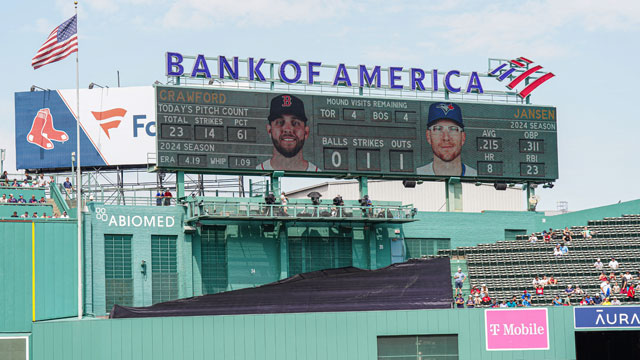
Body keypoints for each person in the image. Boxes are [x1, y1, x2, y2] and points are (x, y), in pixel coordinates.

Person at [257, 94, 318, 171]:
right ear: (269, 130)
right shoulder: (257, 170)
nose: (288, 129)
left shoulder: (319, 173)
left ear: (306, 132)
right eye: (279, 122)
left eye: (295, 123)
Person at [416, 102, 476, 176]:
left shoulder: (476, 177)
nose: (446, 137)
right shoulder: (417, 175)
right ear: (428, 136)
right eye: (438, 129)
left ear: (463, 137)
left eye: (453, 129)